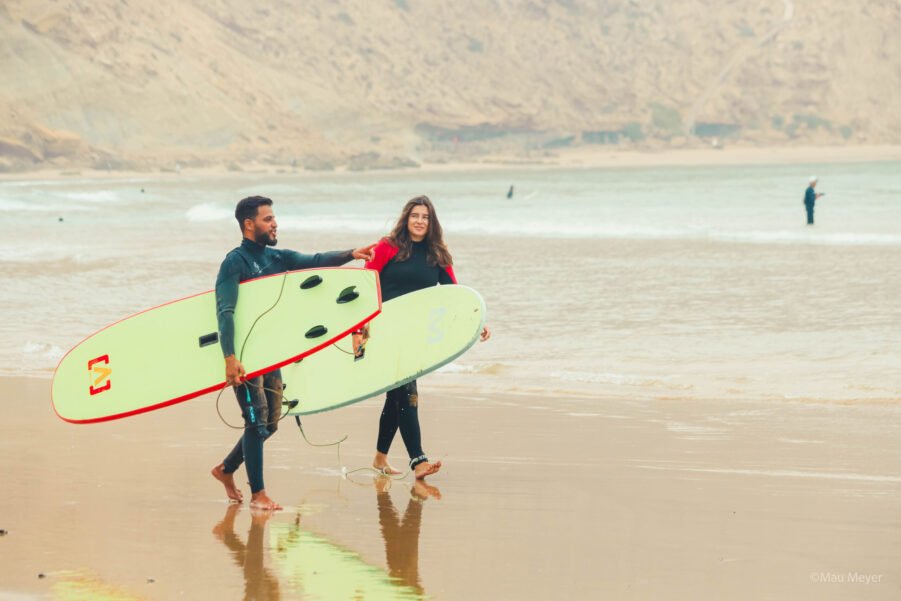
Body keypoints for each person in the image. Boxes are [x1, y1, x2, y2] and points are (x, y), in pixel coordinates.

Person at [211, 195, 375, 510]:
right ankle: (258, 494)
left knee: (270, 423)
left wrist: (350, 254)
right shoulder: (235, 262)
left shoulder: (277, 257)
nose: (275, 224)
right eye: (268, 219)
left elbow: (313, 260)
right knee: (255, 420)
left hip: (271, 353)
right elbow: (225, 311)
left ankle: (225, 469)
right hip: (246, 357)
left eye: (274, 218)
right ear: (249, 224)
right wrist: (229, 357)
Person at [359, 195, 490, 479]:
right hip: (385, 331)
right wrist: (359, 330)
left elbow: (454, 294)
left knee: (396, 394)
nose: (420, 221)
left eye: (425, 217)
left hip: (415, 336)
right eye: (415, 215)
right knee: (405, 391)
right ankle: (418, 461)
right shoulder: (388, 247)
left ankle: (380, 458)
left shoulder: (437, 255)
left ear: (432, 222)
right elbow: (365, 284)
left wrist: (475, 322)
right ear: (406, 219)